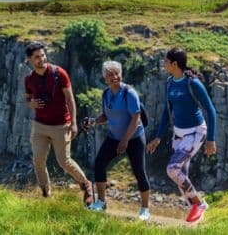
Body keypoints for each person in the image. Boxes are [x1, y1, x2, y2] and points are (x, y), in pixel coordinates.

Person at [146, 47, 217, 223]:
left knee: (172, 169)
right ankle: (197, 213)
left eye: (166, 62)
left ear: (175, 64)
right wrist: (158, 137)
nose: (164, 64)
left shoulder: (193, 84)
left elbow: (211, 110)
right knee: (180, 175)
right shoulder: (170, 82)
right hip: (178, 134)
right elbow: (166, 111)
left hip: (195, 132)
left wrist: (211, 140)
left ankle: (199, 203)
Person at [24, 42, 93, 206]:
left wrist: (74, 123)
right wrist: (30, 103)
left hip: (61, 125)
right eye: (37, 57)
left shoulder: (59, 73)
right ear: (30, 60)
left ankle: (86, 185)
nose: (41, 59)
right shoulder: (29, 79)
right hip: (40, 126)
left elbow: (70, 99)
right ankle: (46, 193)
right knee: (38, 159)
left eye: (42, 55)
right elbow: (27, 98)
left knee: (64, 161)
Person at [83, 61, 151, 220]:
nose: (114, 77)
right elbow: (106, 115)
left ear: (121, 74)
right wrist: (93, 121)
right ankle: (101, 202)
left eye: (117, 73)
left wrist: (125, 140)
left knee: (139, 172)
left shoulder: (129, 93)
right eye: (110, 74)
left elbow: (136, 118)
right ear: (105, 78)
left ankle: (145, 209)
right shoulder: (106, 93)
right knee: (99, 163)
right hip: (114, 137)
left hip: (134, 138)